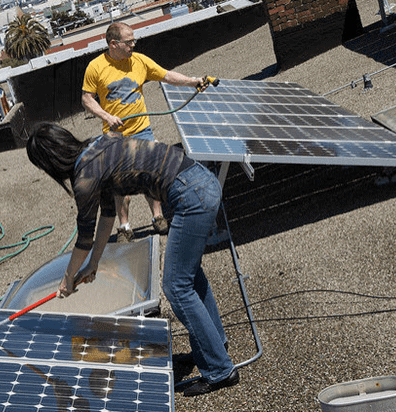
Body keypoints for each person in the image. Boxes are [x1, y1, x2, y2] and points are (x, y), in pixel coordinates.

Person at [26, 123, 239, 396]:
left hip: (191, 196)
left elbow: (84, 239)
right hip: (199, 182)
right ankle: (213, 346)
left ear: (49, 163)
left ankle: (220, 369)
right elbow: (107, 216)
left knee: (176, 287)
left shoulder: (84, 176)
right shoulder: (96, 146)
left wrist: (67, 280)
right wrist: (93, 264)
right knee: (190, 276)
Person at [82, 22, 207, 242]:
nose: (133, 44)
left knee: (151, 178)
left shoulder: (139, 61)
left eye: (133, 40)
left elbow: (167, 76)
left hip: (143, 131)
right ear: (113, 44)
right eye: (128, 41)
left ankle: (158, 218)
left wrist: (193, 82)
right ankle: (124, 227)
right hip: (115, 138)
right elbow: (87, 99)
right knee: (120, 186)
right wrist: (107, 117)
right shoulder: (95, 67)